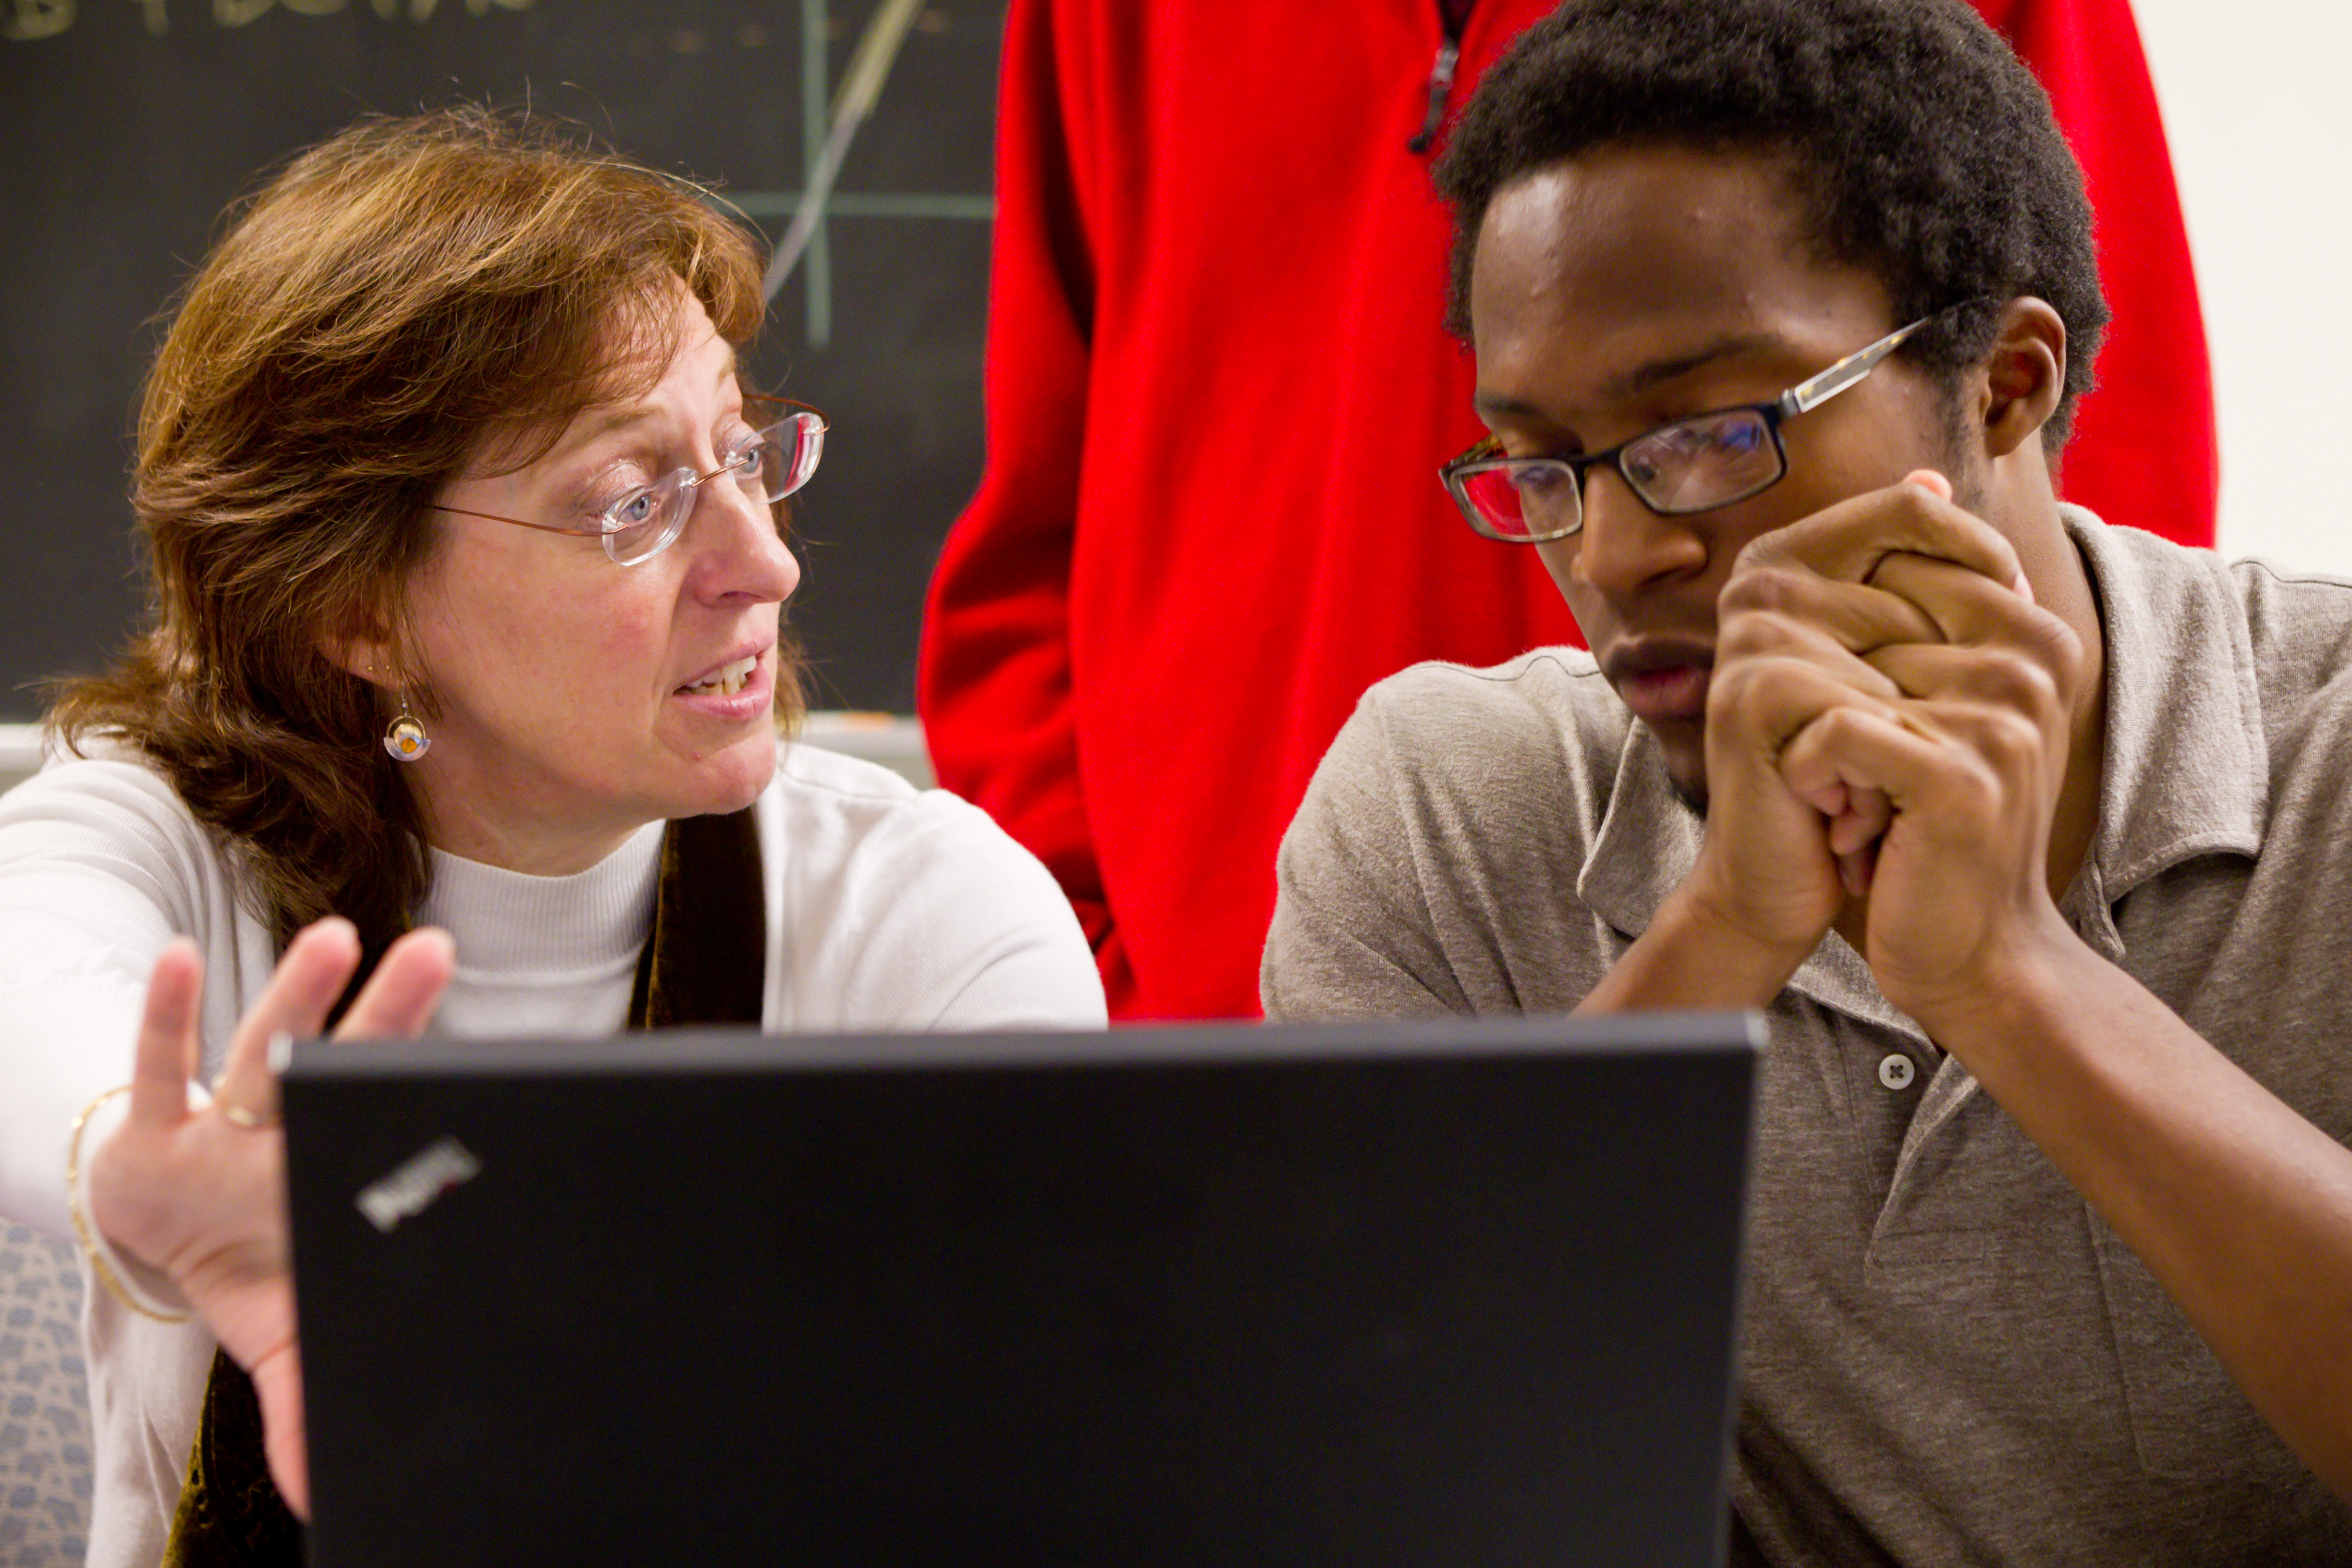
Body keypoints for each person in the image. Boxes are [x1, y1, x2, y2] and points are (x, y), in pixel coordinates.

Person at [1262, 1, 2352, 1561]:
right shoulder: (1444, 813)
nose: (1618, 551)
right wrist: (1721, 930)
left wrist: (2011, 976)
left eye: (1712, 432)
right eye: (1544, 463)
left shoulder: (2334, 753)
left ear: (2003, 384)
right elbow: (1345, 1471)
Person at [0, 109, 1105, 1568]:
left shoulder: (928, 921)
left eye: (743, 451)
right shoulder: (157, 839)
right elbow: (32, 986)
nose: (764, 563)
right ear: (363, 610)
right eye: (632, 502)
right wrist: (131, 1163)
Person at [917, 0, 2214, 1022]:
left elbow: (2077, 444)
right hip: (1232, 1016)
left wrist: (2007, 905)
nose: (1609, 551)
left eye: (1713, 427)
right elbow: (1037, 511)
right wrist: (1110, 967)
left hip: (1861, 960)